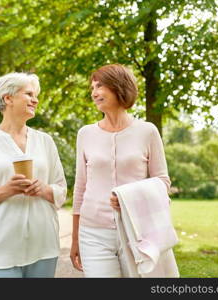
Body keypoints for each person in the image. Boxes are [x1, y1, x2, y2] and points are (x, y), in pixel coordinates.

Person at [70, 64, 172, 277]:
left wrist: (129, 197)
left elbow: (162, 181)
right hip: (93, 232)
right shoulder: (85, 134)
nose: (94, 93)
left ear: (119, 87)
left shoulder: (147, 131)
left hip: (137, 231)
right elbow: (80, 187)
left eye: (100, 86)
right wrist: (75, 238)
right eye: (92, 88)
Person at [0, 72, 67, 278]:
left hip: (43, 248)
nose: (35, 100)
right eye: (29, 94)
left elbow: (61, 190)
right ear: (7, 98)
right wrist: (5, 190)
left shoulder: (45, 141)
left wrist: (44, 189)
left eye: (36, 95)